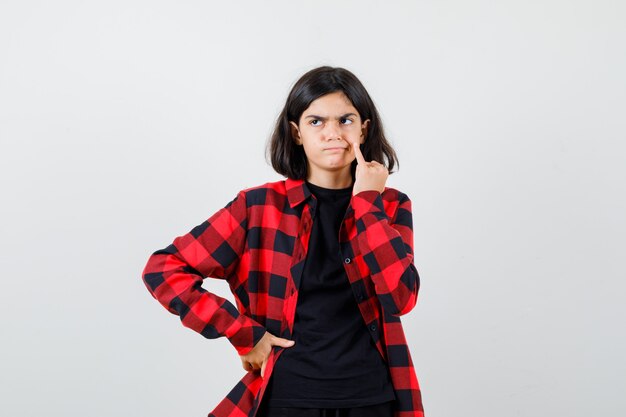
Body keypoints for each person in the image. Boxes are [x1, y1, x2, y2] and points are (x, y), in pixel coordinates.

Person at [141, 66, 424, 417]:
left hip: (372, 397)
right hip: (288, 397)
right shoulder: (257, 207)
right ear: (297, 133)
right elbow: (164, 270)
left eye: (346, 120)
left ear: (364, 128)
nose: (333, 133)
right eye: (316, 122)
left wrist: (367, 204)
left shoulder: (391, 205)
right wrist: (243, 333)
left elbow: (401, 297)